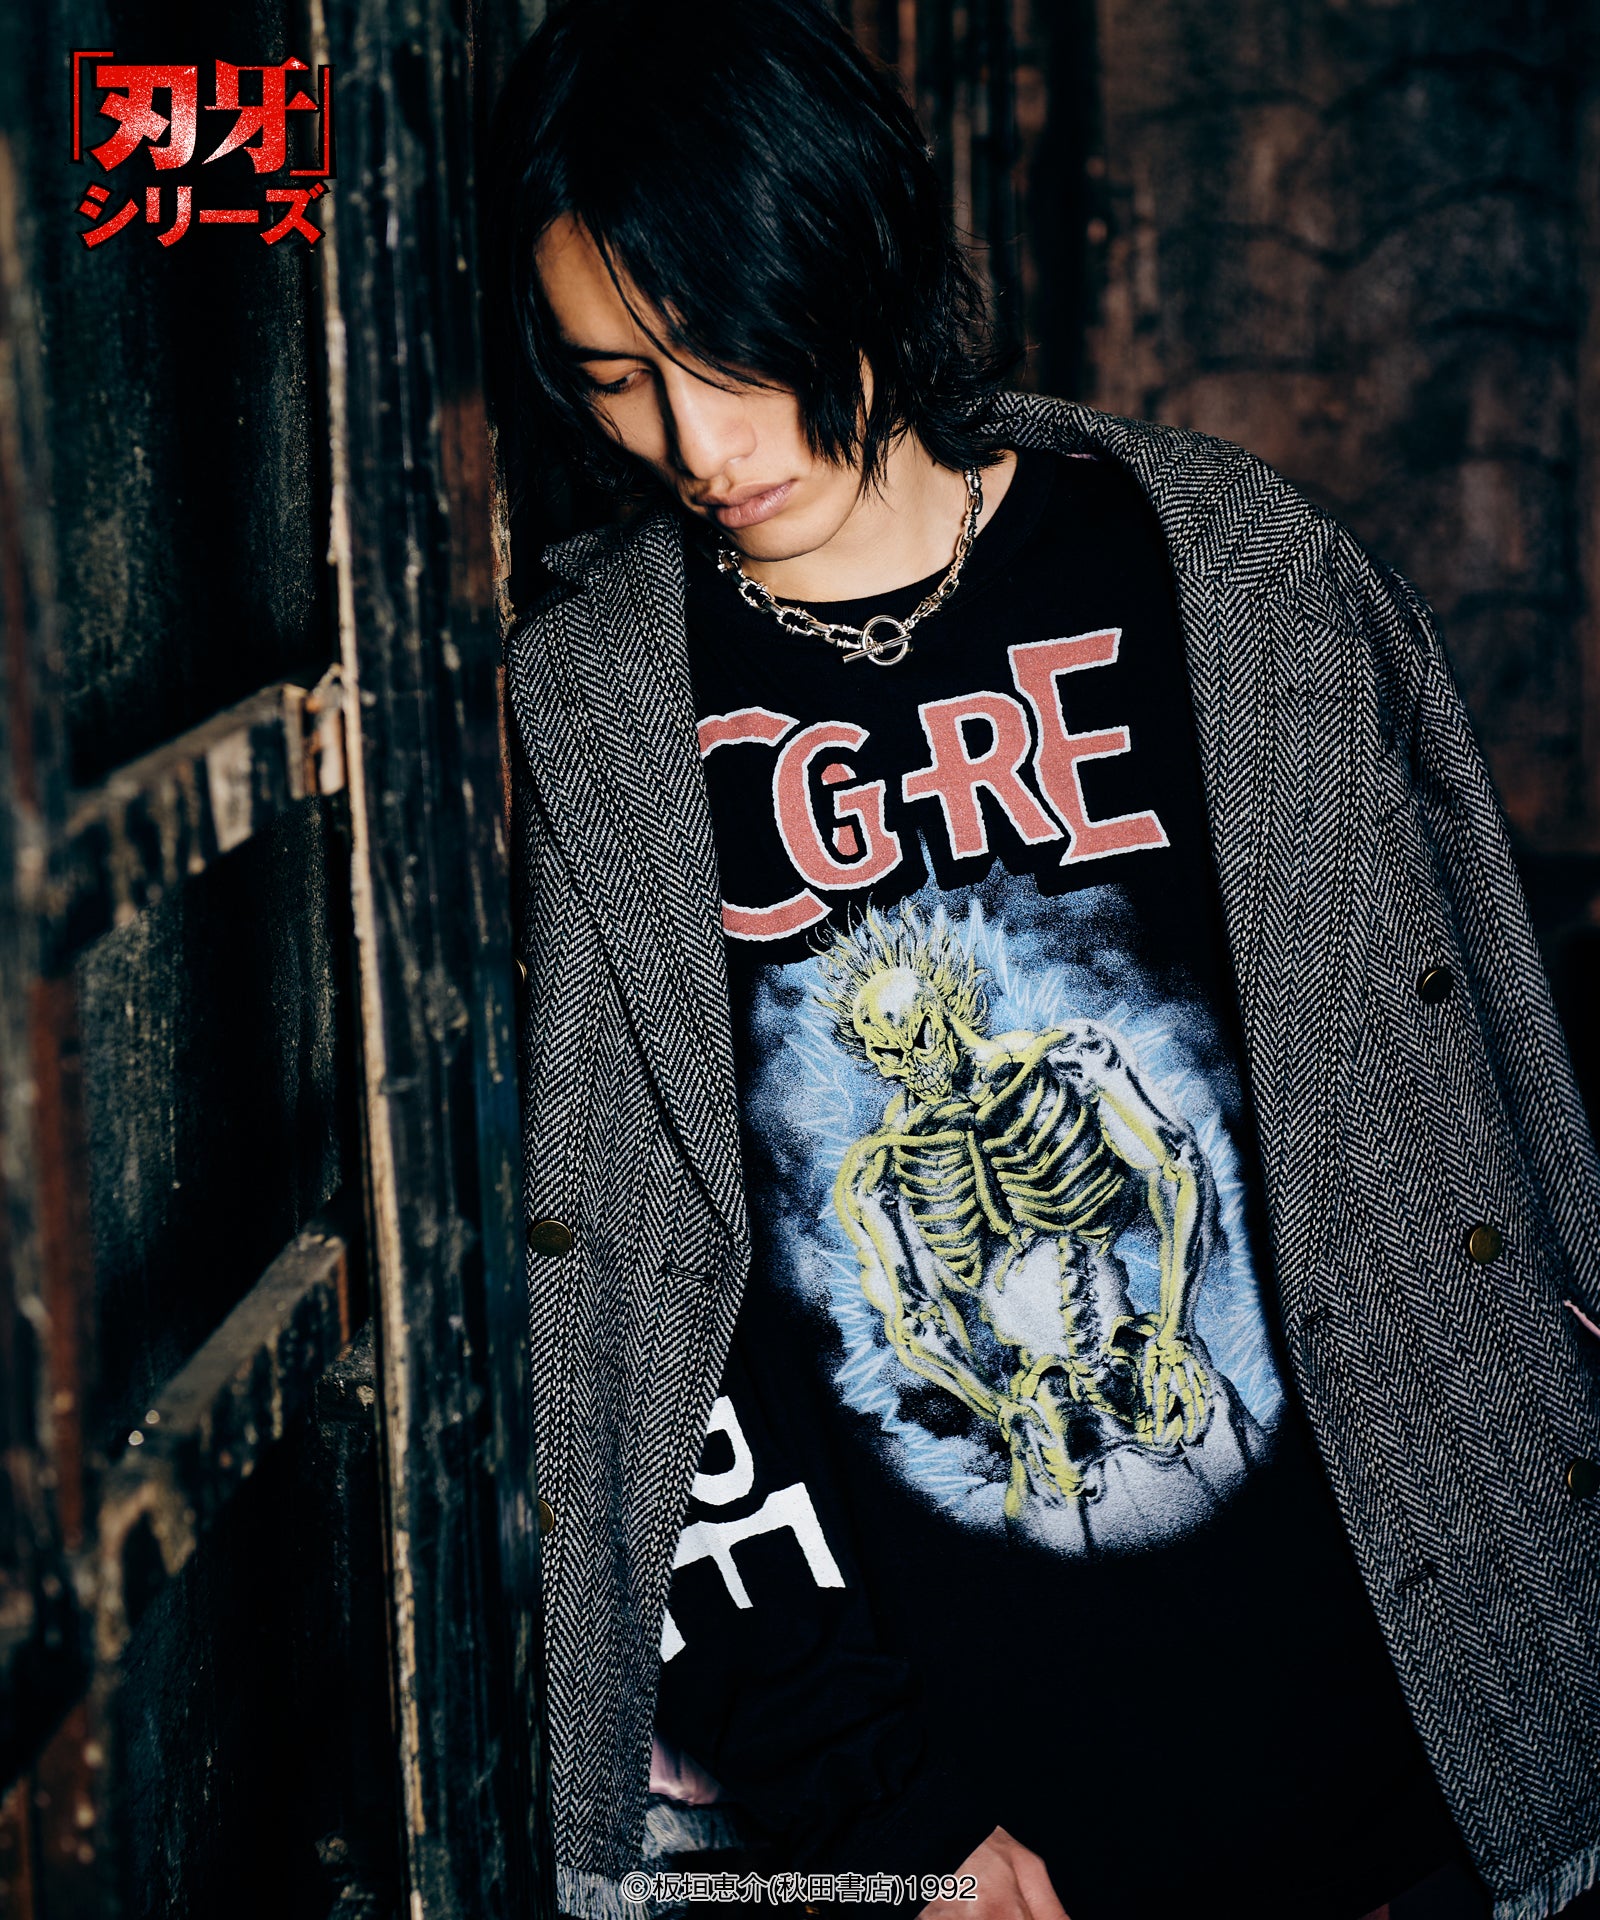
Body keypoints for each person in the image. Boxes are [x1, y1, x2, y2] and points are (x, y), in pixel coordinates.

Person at [489, 3, 1600, 1917]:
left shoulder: (1233, 576)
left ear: (854, 251)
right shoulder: (594, 718)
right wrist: (871, 1792)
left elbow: (1475, 1108)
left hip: (1427, 1720)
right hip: (991, 1812)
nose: (700, 445)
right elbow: (642, 1321)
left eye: (734, 353)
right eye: (617, 380)